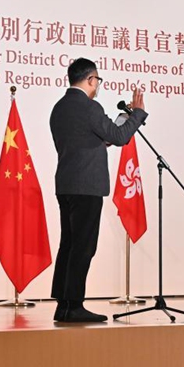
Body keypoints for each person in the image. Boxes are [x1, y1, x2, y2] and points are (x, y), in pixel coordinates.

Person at [49, 58, 148, 322]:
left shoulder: (58, 108)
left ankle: (63, 303)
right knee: (83, 246)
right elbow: (118, 136)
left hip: (66, 184)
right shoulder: (90, 107)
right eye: (98, 81)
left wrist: (101, 140)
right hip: (87, 185)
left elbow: (83, 141)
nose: (98, 86)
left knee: (69, 243)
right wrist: (137, 114)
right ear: (91, 80)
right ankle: (75, 306)